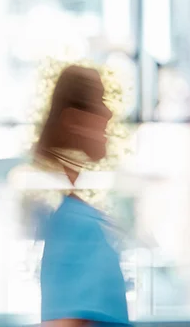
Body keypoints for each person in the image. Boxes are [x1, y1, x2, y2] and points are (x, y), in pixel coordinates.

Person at [33, 65, 130, 327]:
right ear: (74, 120)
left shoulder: (74, 213)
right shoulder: (72, 221)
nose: (108, 113)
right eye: (100, 102)